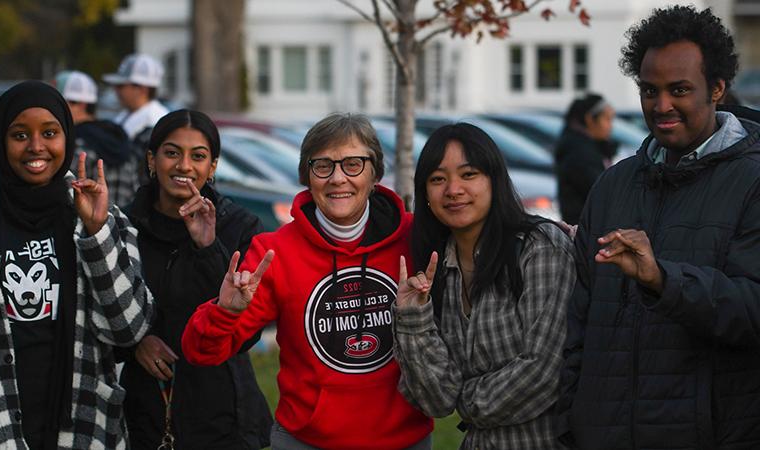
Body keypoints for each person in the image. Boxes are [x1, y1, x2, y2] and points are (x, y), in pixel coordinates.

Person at [557, 6, 760, 449]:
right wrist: (573, 419)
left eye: (680, 90)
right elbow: (579, 322)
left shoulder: (753, 182)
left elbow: (751, 311)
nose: (661, 105)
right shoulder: (612, 185)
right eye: (650, 90)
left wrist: (663, 281)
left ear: (718, 89)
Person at [182, 113, 433, 449]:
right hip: (308, 440)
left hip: (404, 439)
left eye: (353, 164)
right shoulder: (274, 252)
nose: (338, 178)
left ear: (375, 173)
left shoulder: (415, 239)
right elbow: (202, 352)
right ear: (307, 175)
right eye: (323, 166)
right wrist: (225, 311)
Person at [0, 80, 153, 448]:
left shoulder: (101, 218)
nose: (36, 147)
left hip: (82, 423)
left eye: (49, 133)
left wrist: (96, 235)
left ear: (67, 138)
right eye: (20, 135)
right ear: (0, 140)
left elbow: (129, 329)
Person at [391, 123, 575, 449]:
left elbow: (544, 370)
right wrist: (413, 319)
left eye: (469, 174)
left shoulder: (539, 247)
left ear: (494, 180)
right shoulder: (437, 270)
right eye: (437, 179)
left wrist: (467, 400)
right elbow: (435, 399)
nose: (453, 189)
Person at [119, 109, 272, 449]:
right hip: (145, 411)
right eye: (172, 153)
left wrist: (207, 245)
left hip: (222, 413)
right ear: (151, 159)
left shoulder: (240, 226)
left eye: (198, 156)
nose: (184, 166)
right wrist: (133, 342)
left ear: (212, 167)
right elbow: (101, 306)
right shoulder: (123, 225)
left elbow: (247, 328)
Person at [55, 70, 139, 209]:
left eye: (63, 104)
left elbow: (65, 193)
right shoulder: (119, 135)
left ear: (81, 104)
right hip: (125, 222)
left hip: (89, 222)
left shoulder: (76, 143)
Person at [103, 53, 169, 185]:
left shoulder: (157, 119)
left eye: (121, 86)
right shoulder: (125, 115)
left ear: (142, 89)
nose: (116, 90)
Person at [554, 93, 618, 225]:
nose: (611, 126)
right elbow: (603, 194)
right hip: (584, 229)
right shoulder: (581, 154)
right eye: (607, 119)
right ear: (590, 119)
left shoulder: (586, 147)